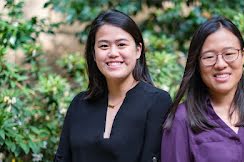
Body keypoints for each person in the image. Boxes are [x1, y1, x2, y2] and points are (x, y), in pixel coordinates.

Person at [161, 16, 244, 162]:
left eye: (229, 54)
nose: (220, 64)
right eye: (209, 57)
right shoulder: (181, 120)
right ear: (197, 63)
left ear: (243, 55)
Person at [54, 10, 172, 162]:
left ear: (138, 50)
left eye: (121, 44)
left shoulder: (158, 102)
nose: (113, 53)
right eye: (104, 46)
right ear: (94, 54)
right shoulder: (79, 104)